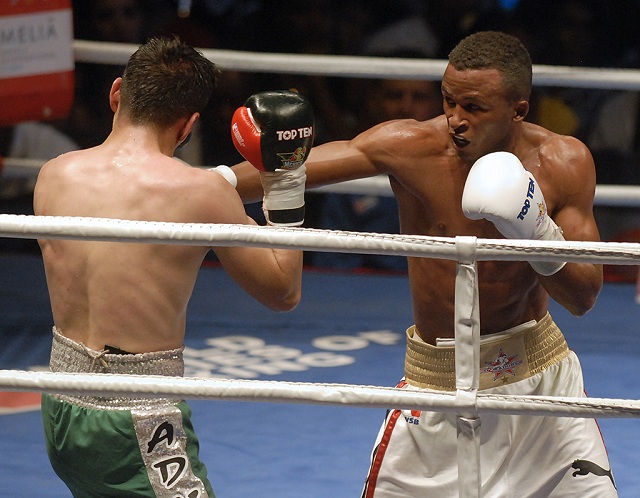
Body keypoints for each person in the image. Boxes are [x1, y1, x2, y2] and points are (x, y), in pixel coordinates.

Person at [233, 31, 616, 496]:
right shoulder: (410, 146)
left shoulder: (563, 161)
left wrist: (536, 229)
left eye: (474, 108)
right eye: (449, 101)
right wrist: (198, 185)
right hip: (437, 387)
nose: (455, 120)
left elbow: (585, 295)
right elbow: (294, 168)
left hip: (541, 388)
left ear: (518, 109)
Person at [34, 36, 312, 497]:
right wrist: (286, 184)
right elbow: (283, 290)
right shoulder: (200, 193)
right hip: (134, 417)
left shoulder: (55, 173)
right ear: (188, 126)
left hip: (60, 405)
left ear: (116, 93)